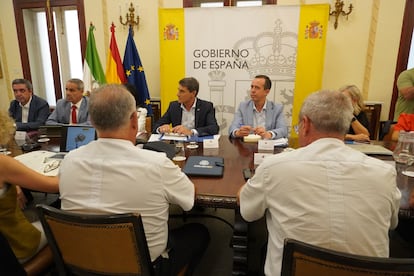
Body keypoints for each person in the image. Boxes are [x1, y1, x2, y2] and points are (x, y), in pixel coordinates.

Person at [238, 90, 401, 276]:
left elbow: (248, 212)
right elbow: (392, 223)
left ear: (305, 124)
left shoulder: (273, 168)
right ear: (345, 126)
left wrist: (249, 185)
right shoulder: (384, 172)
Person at [58, 84, 210, 275]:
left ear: (91, 120)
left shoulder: (69, 161)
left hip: (81, 264)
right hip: (143, 267)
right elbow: (190, 200)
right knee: (199, 232)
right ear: (133, 120)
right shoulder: (157, 164)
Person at [0, 111, 59, 264]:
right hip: (15, 248)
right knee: (62, 227)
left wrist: (15, 183)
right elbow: (53, 185)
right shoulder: (3, 164)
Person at [153, 77, 219, 136]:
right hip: (178, 145)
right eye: (178, 90)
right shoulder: (174, 106)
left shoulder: (206, 107)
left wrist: (191, 132)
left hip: (198, 145)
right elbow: (156, 125)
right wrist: (160, 129)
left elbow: (214, 128)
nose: (178, 94)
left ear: (193, 93)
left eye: (182, 91)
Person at [229, 75, 287, 140]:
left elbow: (283, 130)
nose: (252, 90)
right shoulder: (243, 106)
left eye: (257, 88)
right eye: (252, 87)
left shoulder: (276, 108)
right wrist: (238, 132)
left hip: (267, 146)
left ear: (266, 91)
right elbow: (233, 128)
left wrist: (269, 134)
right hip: (248, 147)